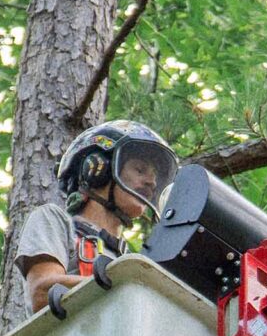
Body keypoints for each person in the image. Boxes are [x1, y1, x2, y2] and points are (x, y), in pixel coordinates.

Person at [13, 119, 180, 314]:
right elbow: (42, 293)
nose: (151, 182)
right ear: (98, 168)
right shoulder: (54, 220)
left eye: (154, 177)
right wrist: (124, 290)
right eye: (140, 169)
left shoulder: (129, 259)